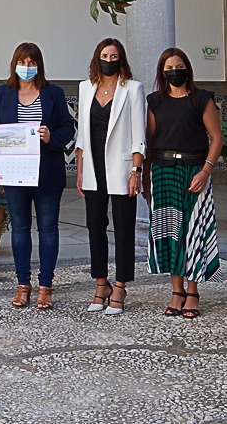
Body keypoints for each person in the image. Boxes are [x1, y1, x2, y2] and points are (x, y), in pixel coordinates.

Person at [0, 42, 74, 310]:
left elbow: (68, 128)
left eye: (31, 62)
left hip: (47, 171)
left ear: (39, 65)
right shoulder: (3, 93)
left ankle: (45, 286)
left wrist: (51, 137)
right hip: (15, 173)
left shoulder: (54, 93)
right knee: (20, 229)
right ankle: (23, 284)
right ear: (14, 64)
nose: (27, 67)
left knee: (48, 229)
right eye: (22, 62)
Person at [144, 47, 222, 318]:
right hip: (162, 171)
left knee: (193, 229)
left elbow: (217, 138)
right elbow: (150, 143)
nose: (173, 71)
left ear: (187, 68)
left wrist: (205, 171)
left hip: (193, 171)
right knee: (170, 231)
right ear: (162, 72)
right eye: (168, 67)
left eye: (178, 66)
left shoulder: (201, 99)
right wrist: (145, 180)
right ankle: (176, 291)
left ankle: (193, 291)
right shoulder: (155, 101)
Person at [75, 38, 145, 315]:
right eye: (104, 55)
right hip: (93, 169)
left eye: (114, 56)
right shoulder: (85, 88)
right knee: (94, 226)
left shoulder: (133, 89)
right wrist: (80, 169)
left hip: (122, 169)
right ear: (97, 57)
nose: (109, 60)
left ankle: (120, 285)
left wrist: (136, 171)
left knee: (124, 228)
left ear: (121, 59)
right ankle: (101, 283)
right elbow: (82, 134)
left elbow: (139, 135)